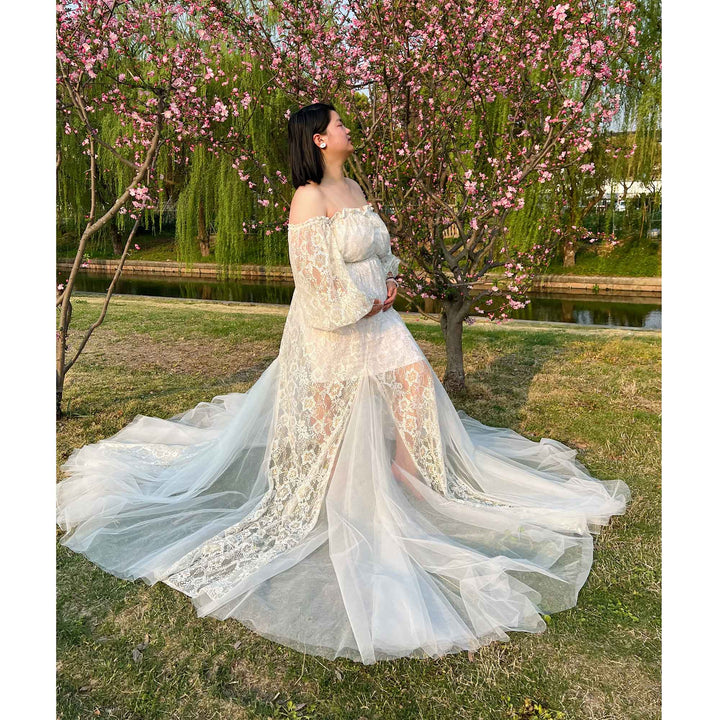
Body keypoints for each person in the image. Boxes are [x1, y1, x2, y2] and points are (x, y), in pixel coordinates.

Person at [56, 102, 631, 665]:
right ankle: (330, 496)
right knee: (331, 413)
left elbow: (379, 249)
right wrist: (361, 302)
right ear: (318, 138)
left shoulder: (354, 187)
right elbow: (312, 276)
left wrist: (392, 280)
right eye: (338, 123)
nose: (347, 127)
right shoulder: (308, 198)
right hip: (333, 326)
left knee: (414, 386)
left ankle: (408, 474)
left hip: (380, 319)